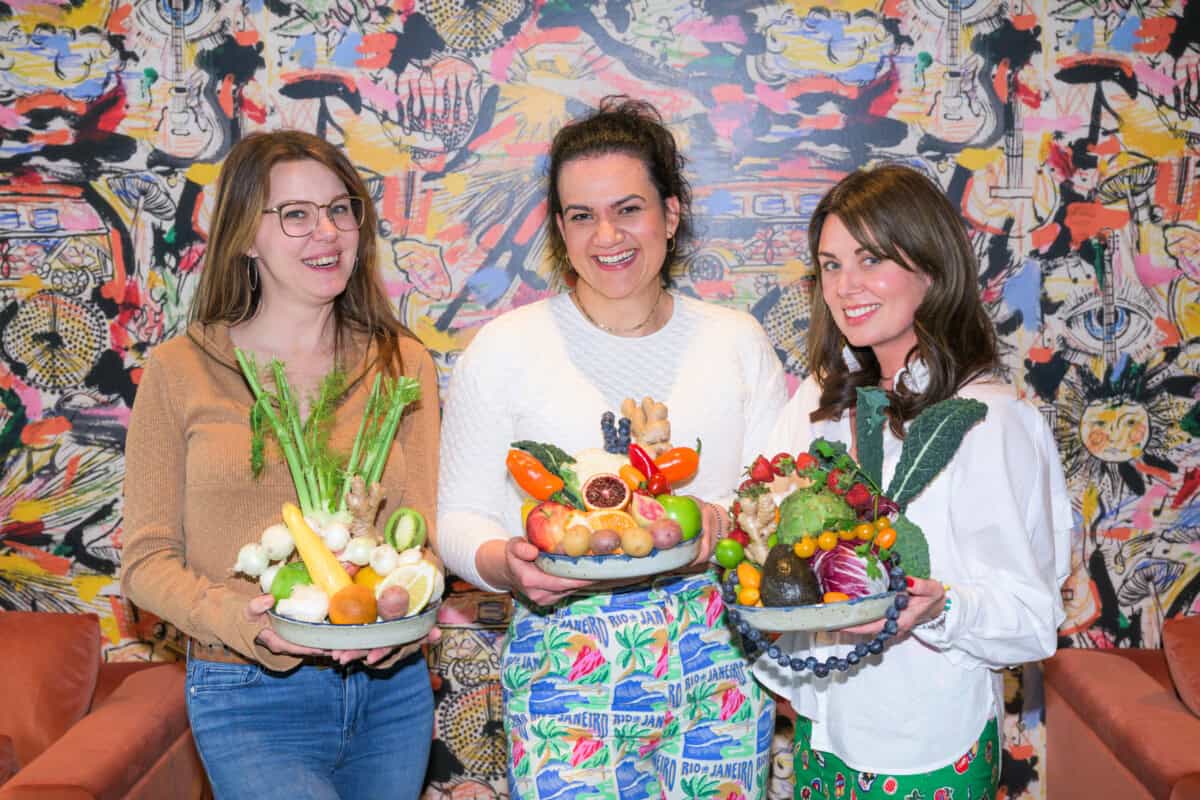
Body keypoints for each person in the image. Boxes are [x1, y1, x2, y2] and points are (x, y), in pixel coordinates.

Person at [436, 96, 788, 799]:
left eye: (629, 208)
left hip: (715, 662)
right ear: (559, 229)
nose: (607, 236)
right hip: (563, 662)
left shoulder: (735, 342)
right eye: (581, 215)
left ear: (671, 213)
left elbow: (775, 497)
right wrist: (507, 564)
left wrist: (719, 522)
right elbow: (458, 518)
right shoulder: (504, 351)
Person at [121, 130, 440, 800]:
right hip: (247, 692)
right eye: (294, 214)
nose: (325, 232)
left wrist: (401, 622)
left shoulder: (401, 364)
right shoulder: (179, 371)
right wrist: (244, 621)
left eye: (339, 208)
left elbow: (424, 537)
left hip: (391, 691)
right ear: (243, 236)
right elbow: (144, 562)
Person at [753, 163, 1071, 799]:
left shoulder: (993, 423)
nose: (846, 286)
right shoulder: (819, 406)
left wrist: (941, 606)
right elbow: (766, 547)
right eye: (831, 264)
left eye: (870, 259)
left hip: (931, 745)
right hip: (822, 730)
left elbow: (1034, 617)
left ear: (931, 266)